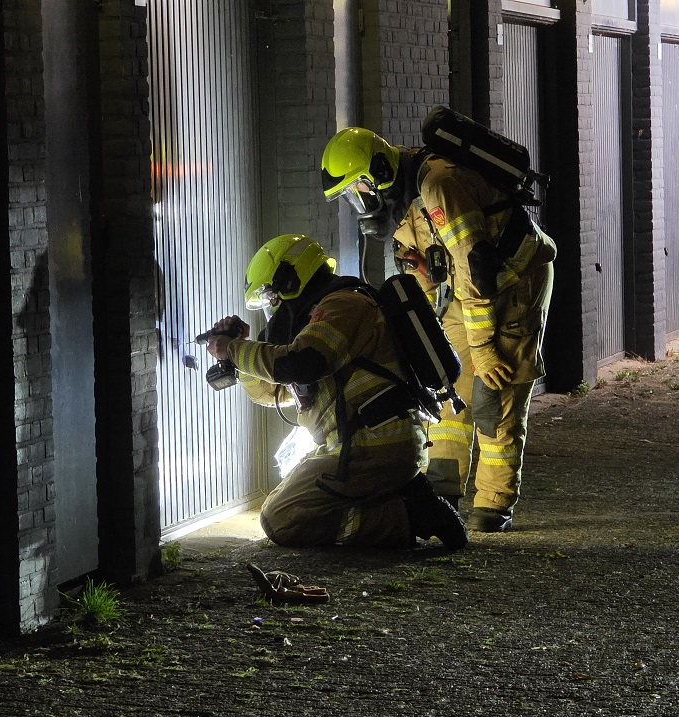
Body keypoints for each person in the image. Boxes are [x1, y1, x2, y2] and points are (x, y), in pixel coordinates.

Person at [321, 125, 556, 533]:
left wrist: (483, 347)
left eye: (357, 190)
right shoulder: (404, 199)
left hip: (516, 281)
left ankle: (494, 503)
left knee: (492, 391)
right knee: (448, 384)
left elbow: (475, 266)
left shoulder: (439, 184)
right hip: (469, 289)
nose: (358, 203)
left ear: (376, 171)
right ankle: (444, 486)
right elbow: (426, 269)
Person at [205, 233, 468, 550]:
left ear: (292, 279)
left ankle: (408, 516)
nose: (274, 308)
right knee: (281, 502)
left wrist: (235, 350)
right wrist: (241, 355)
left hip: (374, 443)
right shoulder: (316, 321)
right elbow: (269, 393)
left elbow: (304, 363)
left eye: (273, 297)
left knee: (283, 518)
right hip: (358, 443)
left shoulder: (344, 305)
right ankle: (402, 495)